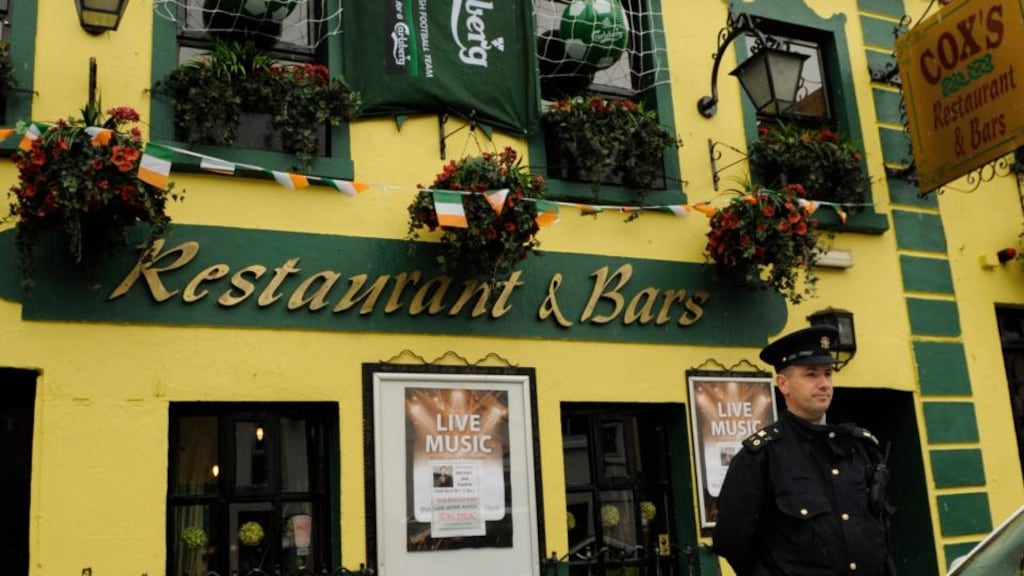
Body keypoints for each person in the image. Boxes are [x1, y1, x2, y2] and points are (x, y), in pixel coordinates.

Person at [712, 325, 896, 576]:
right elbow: (731, 541)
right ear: (783, 384)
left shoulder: (859, 446)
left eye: (828, 374)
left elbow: (879, 530)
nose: (824, 384)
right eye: (811, 375)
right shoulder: (761, 457)